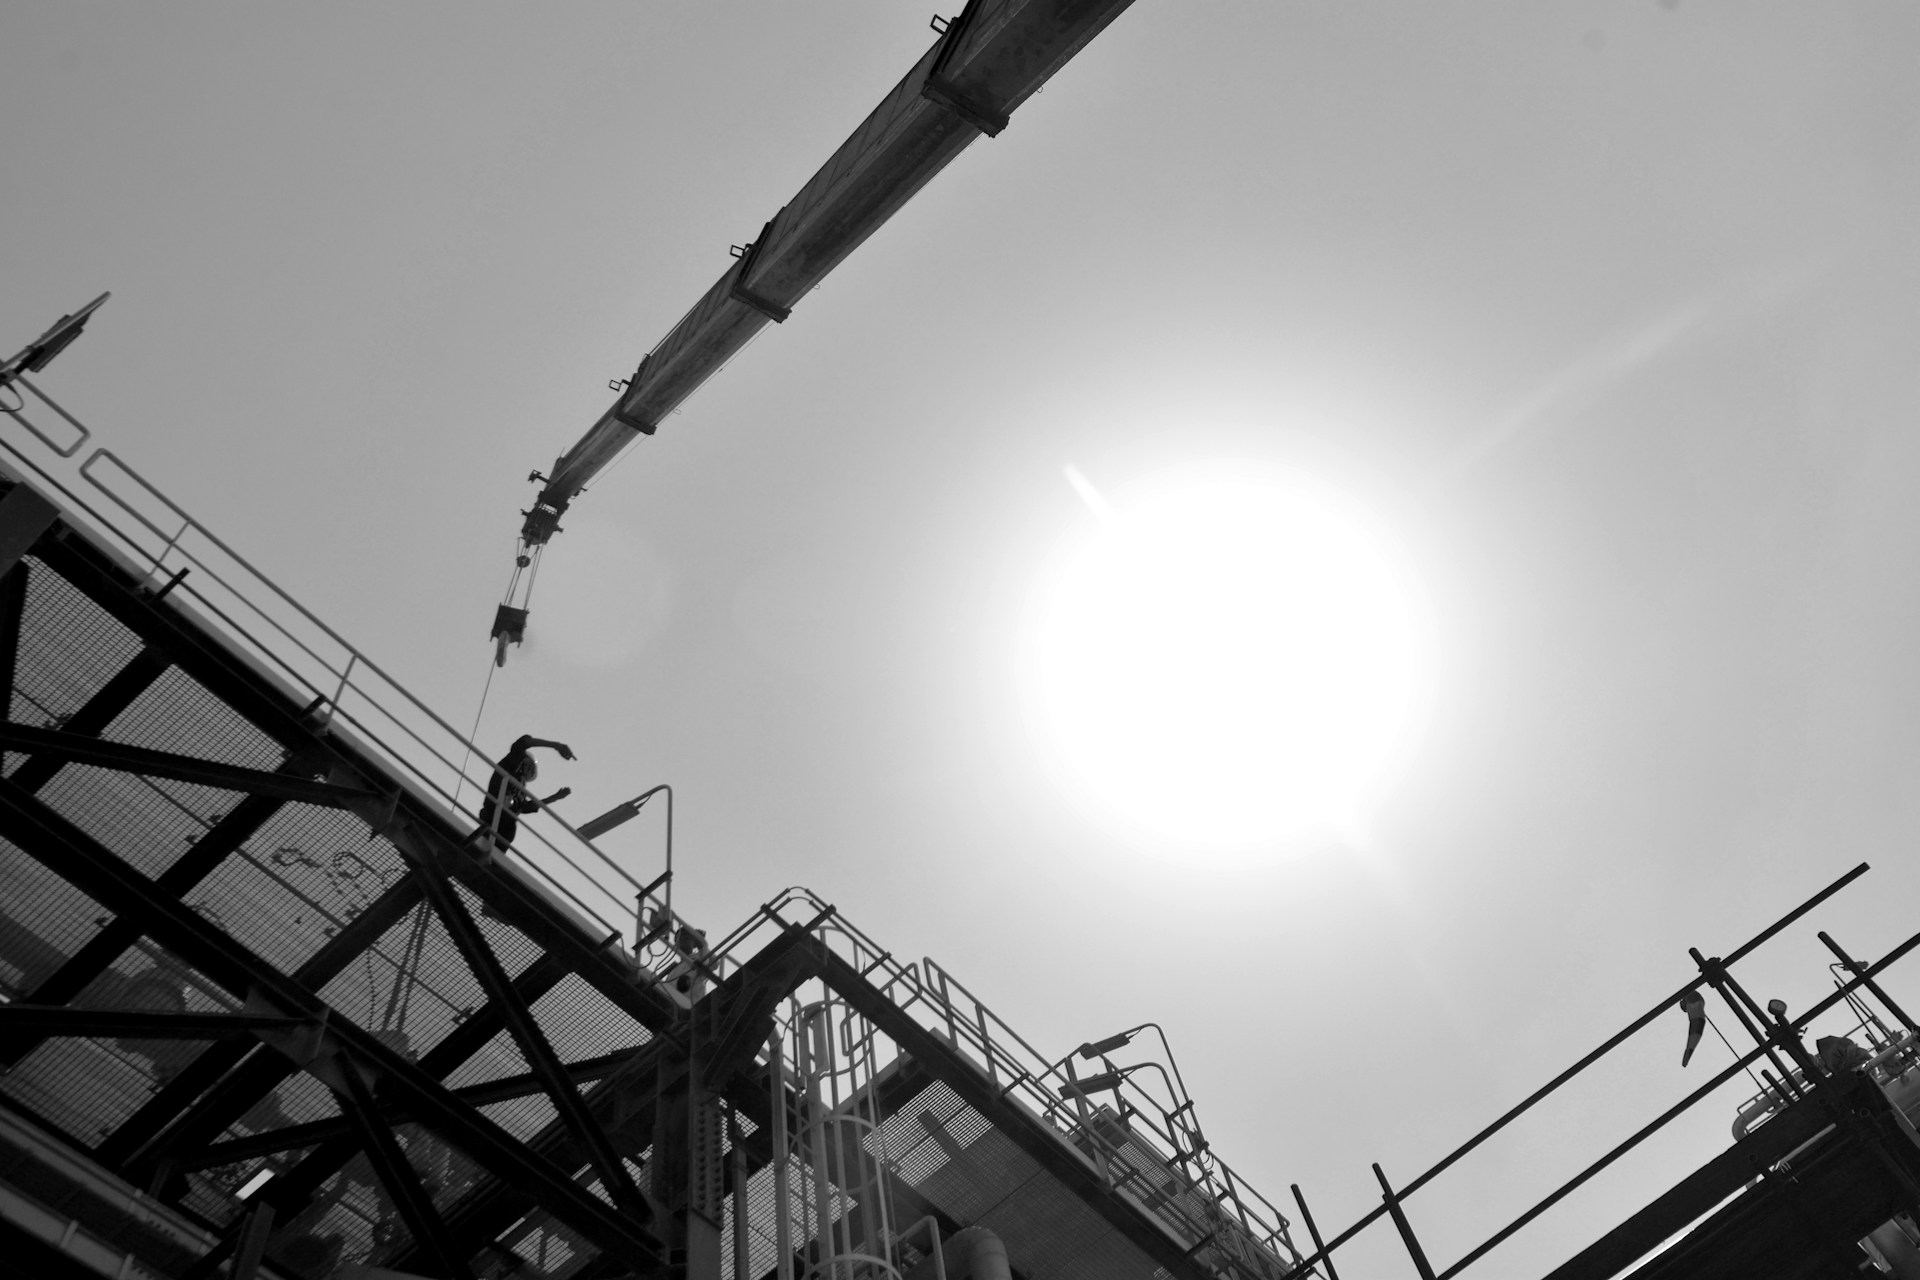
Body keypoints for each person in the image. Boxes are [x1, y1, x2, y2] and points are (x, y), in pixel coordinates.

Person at [474, 734, 575, 853]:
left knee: (505, 834)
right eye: (530, 769)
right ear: (526, 762)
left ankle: (490, 855)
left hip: (505, 826)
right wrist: (556, 745)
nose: (528, 773)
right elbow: (524, 743)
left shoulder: (521, 789)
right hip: (493, 812)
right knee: (496, 833)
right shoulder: (512, 764)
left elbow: (526, 807)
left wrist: (554, 797)